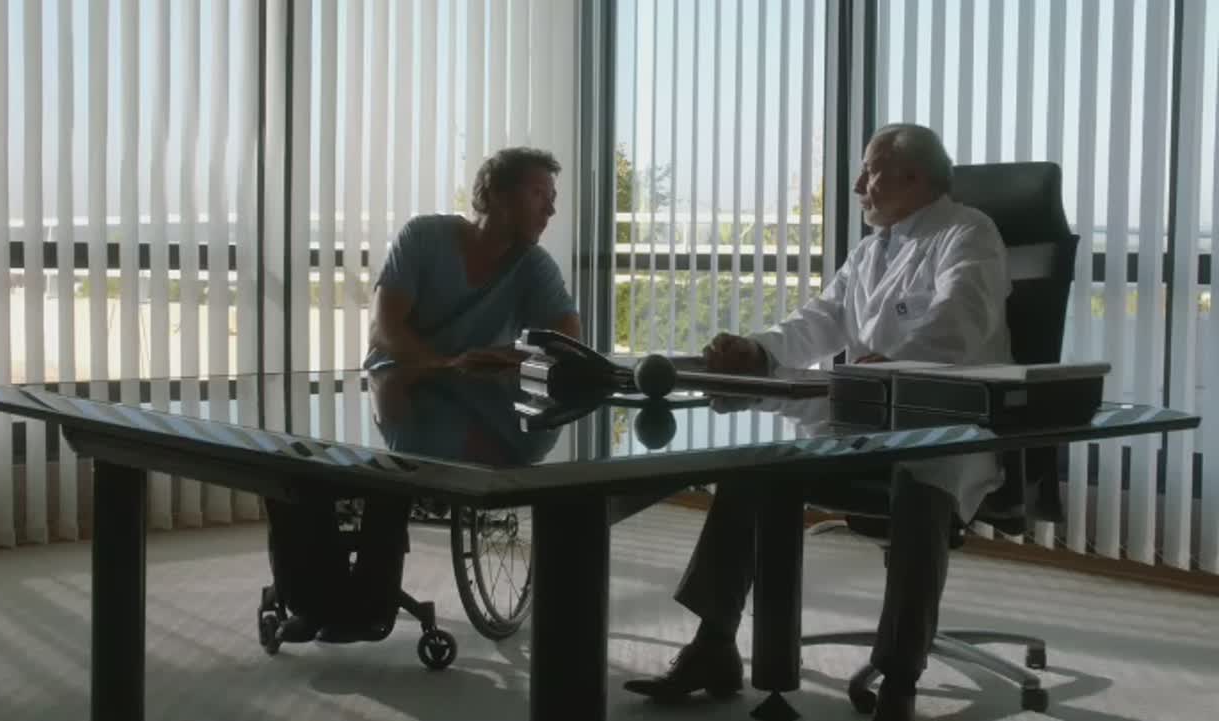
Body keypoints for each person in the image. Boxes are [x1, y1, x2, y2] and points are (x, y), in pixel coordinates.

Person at [623, 123, 1012, 721]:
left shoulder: (967, 233)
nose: (857, 185)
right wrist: (759, 349)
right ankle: (714, 643)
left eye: (870, 171)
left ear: (913, 176)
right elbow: (820, 320)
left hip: (945, 423)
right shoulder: (872, 249)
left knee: (921, 483)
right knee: (756, 466)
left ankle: (900, 679)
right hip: (863, 419)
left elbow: (961, 320)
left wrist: (896, 363)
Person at [266, 147, 582, 645]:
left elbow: (568, 342)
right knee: (295, 465)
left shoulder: (533, 266)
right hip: (398, 386)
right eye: (540, 194)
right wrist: (444, 364)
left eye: (553, 197)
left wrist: (496, 360)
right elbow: (385, 328)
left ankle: (362, 610)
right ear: (498, 196)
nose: (551, 209)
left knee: (396, 472)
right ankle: (313, 602)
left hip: (476, 402)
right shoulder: (424, 237)